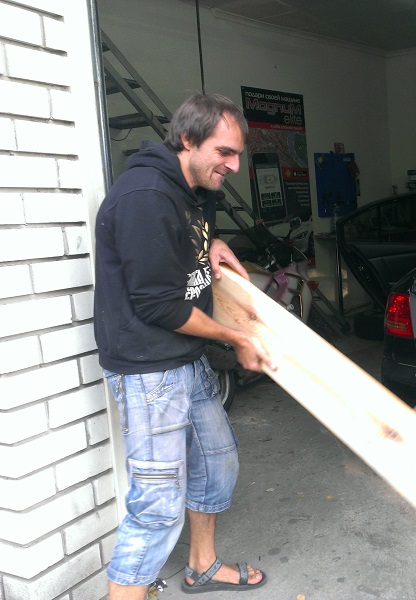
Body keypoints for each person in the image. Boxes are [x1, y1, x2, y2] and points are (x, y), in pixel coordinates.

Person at [94, 93, 273, 598]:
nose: (233, 166)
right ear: (188, 140)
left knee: (218, 463)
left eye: (237, 155)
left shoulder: (195, 186)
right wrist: (235, 337)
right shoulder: (145, 197)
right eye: (224, 153)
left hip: (185, 357)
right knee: (157, 507)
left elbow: (186, 237)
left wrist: (211, 243)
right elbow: (158, 306)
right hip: (148, 368)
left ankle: (202, 566)